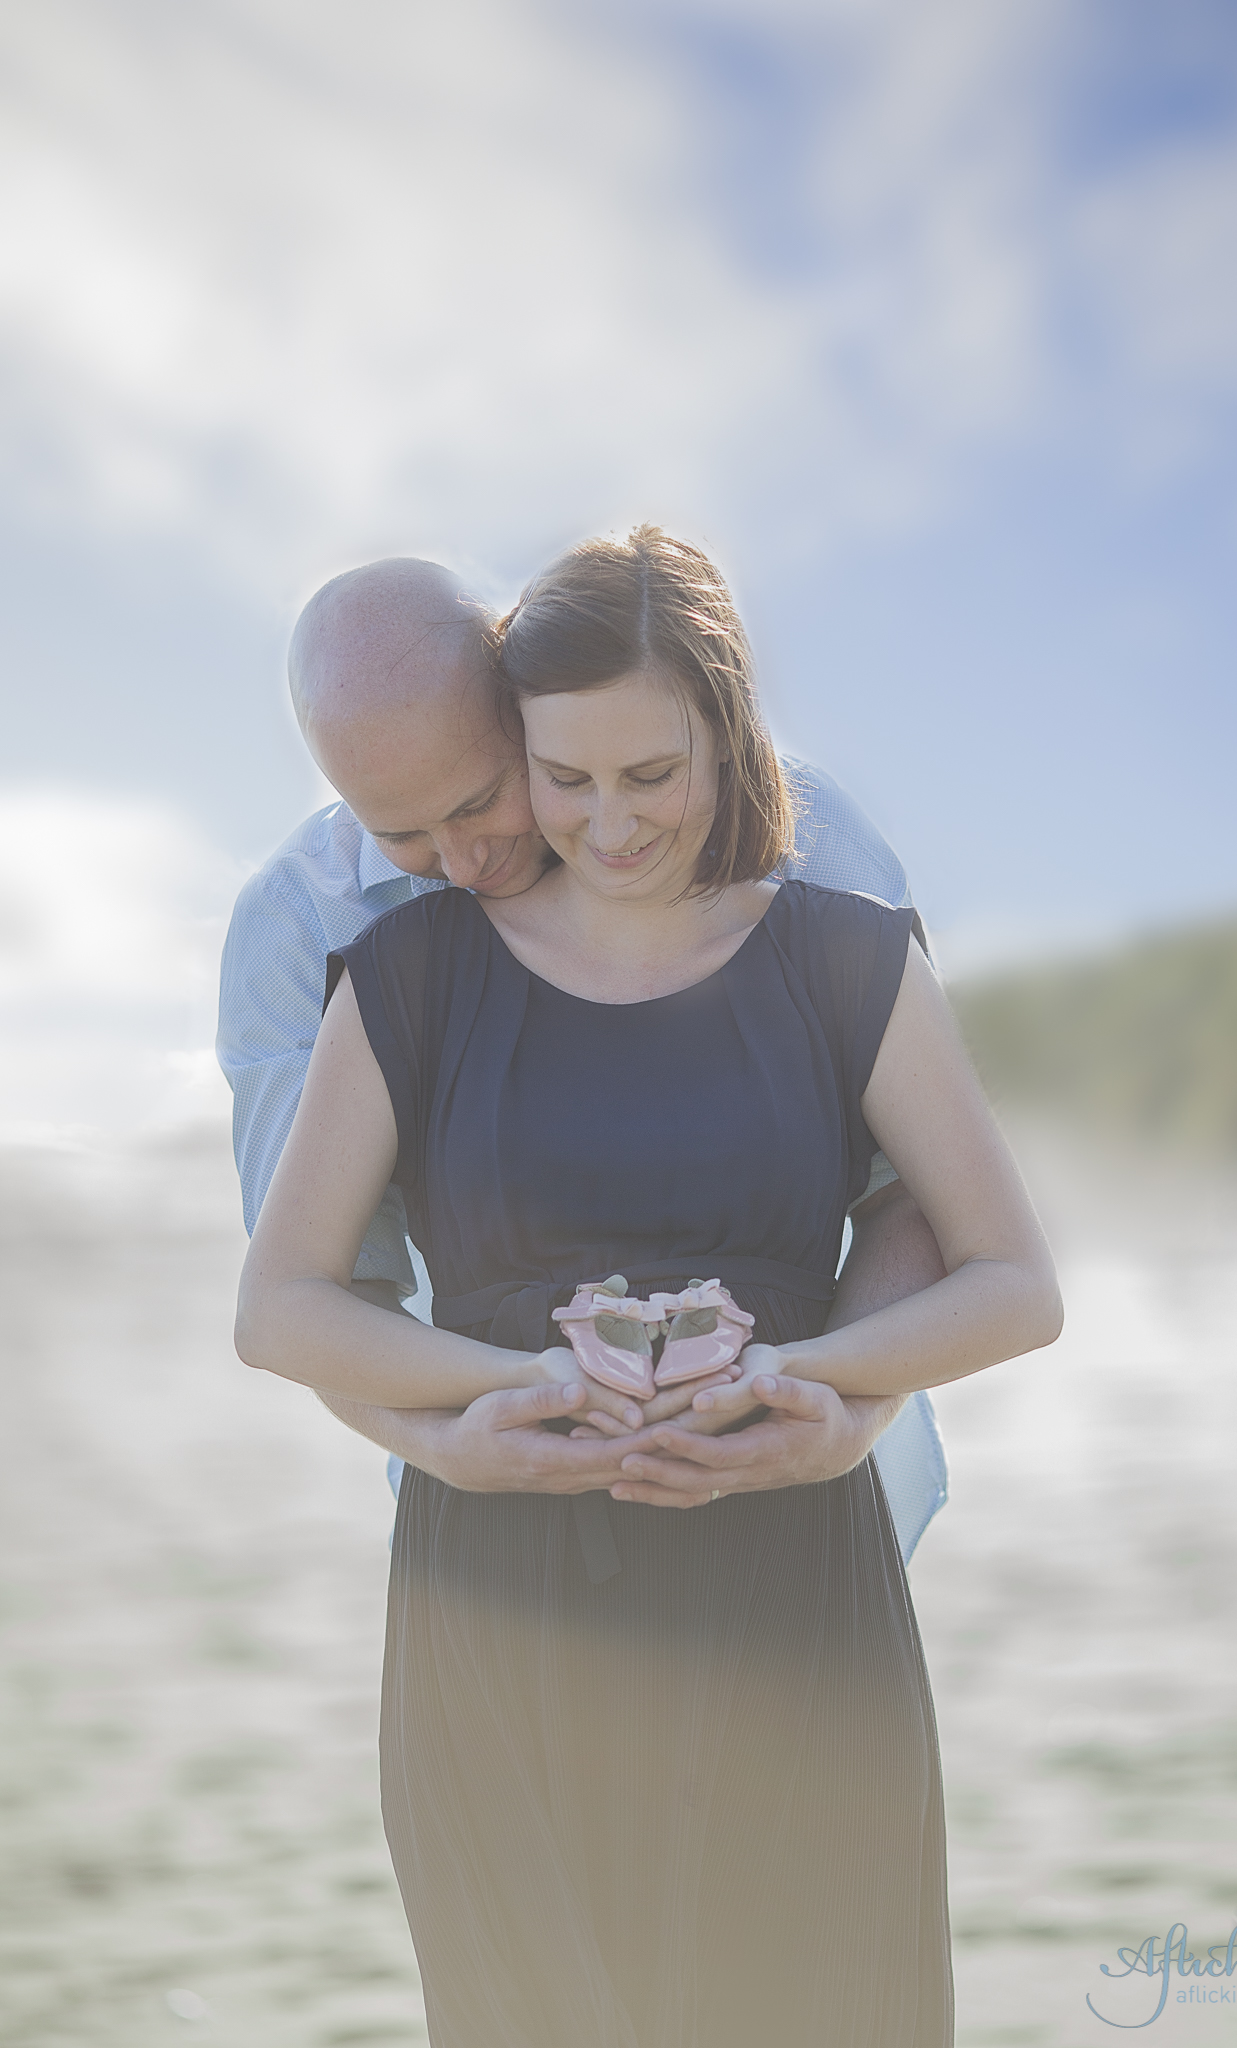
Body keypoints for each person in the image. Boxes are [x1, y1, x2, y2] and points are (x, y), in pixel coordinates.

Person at [235, 526, 1063, 2048]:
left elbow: (971, 1244)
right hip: (498, 1593)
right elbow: (293, 1306)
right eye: (412, 835)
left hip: (797, 1562)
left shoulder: (838, 919)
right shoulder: (367, 955)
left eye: (493, 799)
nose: (513, 848)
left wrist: (833, 1396)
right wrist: (485, 1410)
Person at [217, 555, 949, 1543]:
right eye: (405, 835)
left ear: (525, 702)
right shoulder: (298, 930)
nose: (466, 864)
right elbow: (317, 1291)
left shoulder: (793, 824)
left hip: (817, 1488)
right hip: (508, 1501)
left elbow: (917, 1191)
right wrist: (440, 1444)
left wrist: (848, 1412)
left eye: (481, 800)